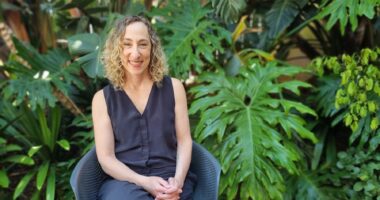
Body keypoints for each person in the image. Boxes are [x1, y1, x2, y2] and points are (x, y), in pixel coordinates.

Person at [91, 15, 196, 200]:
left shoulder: (174, 88)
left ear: (152, 48)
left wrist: (177, 182)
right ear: (117, 49)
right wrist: (143, 181)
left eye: (142, 44)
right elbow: (106, 159)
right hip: (126, 183)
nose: (135, 53)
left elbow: (184, 141)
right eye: (127, 44)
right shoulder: (102, 100)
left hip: (169, 178)